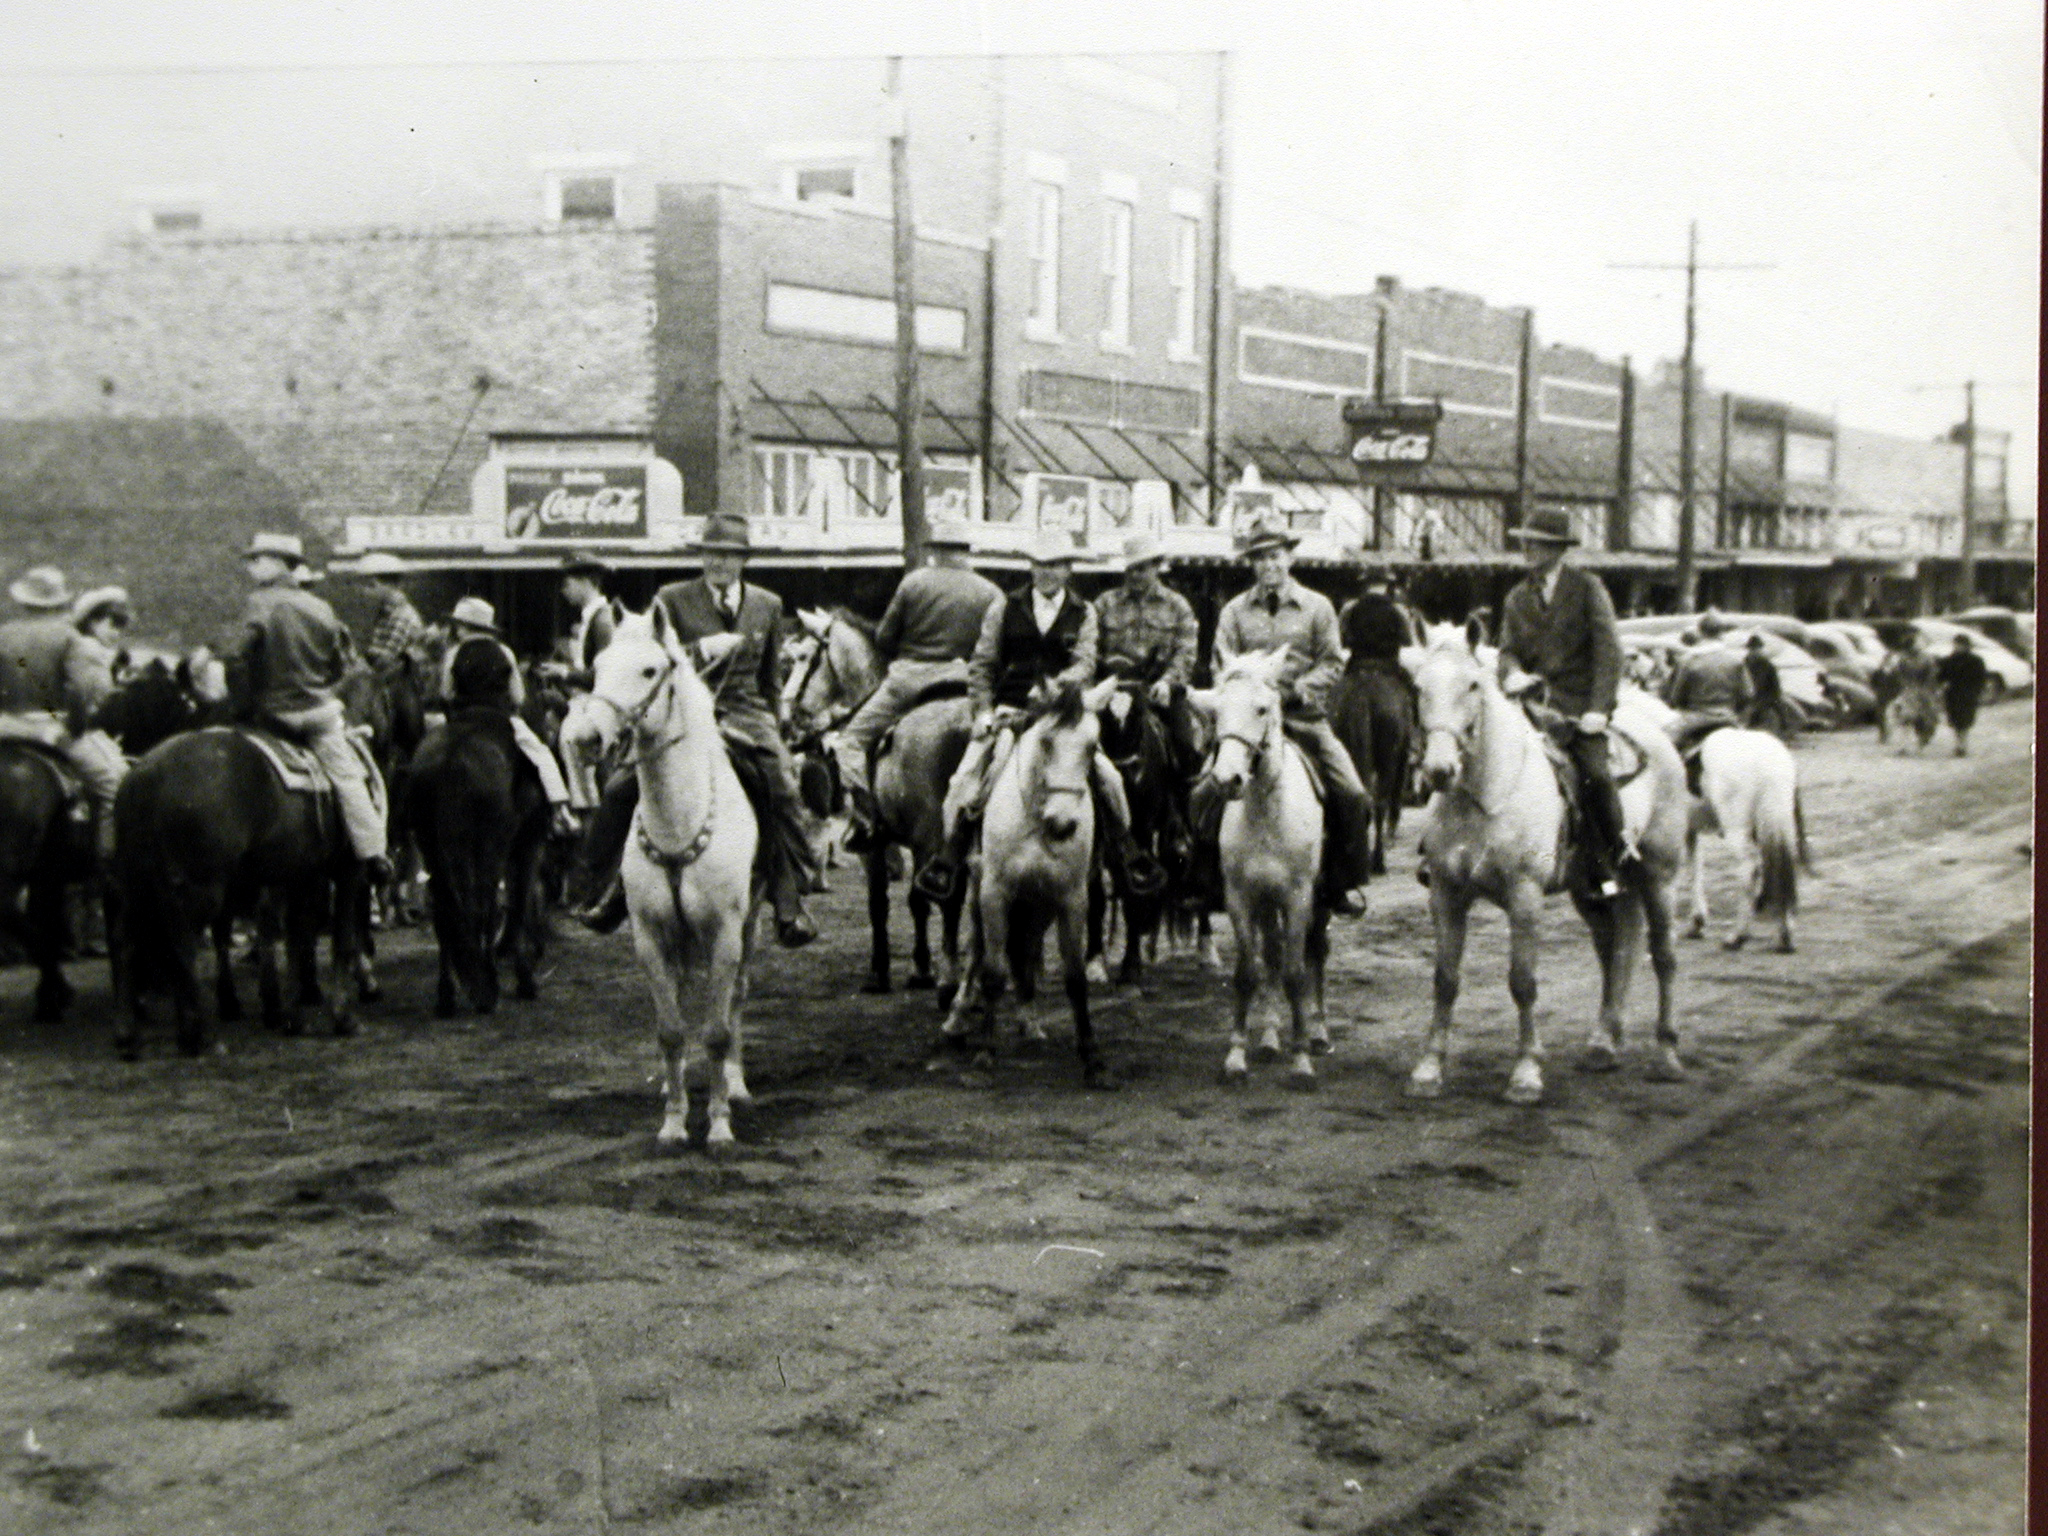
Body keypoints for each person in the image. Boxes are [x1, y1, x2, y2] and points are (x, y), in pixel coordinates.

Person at [568, 511, 820, 948]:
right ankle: (607, 892)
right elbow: (651, 656)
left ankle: (791, 896)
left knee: (779, 785)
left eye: (728, 556)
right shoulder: (672, 598)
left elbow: (769, 677)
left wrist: (774, 722)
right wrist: (700, 648)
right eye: (711, 554)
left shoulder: (767, 604)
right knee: (619, 788)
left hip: (745, 711)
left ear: (743, 561)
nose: (718, 564)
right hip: (683, 711)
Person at [919, 529, 1159, 902]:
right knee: (964, 780)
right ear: (1031, 567)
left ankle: (1127, 849)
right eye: (1040, 564)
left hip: (1062, 716)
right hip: (1009, 711)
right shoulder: (1004, 608)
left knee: (1109, 776)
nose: (1046, 572)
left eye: (1055, 565)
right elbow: (982, 664)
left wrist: (1053, 690)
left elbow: (1084, 664)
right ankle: (950, 856)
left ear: (1068, 570)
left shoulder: (1084, 613)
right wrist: (982, 711)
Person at [1198, 513, 1374, 916]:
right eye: (1260, 559)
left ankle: (1343, 881)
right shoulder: (1234, 612)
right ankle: (1207, 880)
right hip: (1245, 723)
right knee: (1205, 793)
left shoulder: (1317, 607)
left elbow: (1332, 661)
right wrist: (1244, 694)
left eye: (1276, 556)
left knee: (1353, 792)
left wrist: (1298, 690)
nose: (1269, 566)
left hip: (1302, 717)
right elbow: (1218, 667)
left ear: (1289, 558)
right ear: (1252, 564)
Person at [833, 517, 1001, 853]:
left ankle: (866, 820)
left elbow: (885, 637)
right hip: (965, 683)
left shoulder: (913, 583)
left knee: (849, 743)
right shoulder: (991, 592)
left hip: (910, 681)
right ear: (967, 552)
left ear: (935, 550)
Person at [231, 533, 390, 882]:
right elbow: (338, 667)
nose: (252, 565)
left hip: (270, 715)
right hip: (318, 713)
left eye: (258, 559)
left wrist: (243, 702)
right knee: (349, 778)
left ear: (279, 564)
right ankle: (373, 854)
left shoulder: (259, 603)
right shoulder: (322, 609)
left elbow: (237, 656)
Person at [1494, 506, 1628, 900]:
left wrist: (1598, 710)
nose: (1528, 550)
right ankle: (1441, 849)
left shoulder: (1587, 588)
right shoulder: (1517, 596)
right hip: (1529, 707)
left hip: (1577, 709)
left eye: (1538, 544)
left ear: (1558, 549)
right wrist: (1511, 673)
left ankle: (1610, 857)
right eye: (1526, 542)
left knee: (1595, 775)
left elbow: (1609, 652)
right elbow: (1506, 650)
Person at [0, 568, 128, 862]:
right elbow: (90, 691)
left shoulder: (3, 633)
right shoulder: (68, 637)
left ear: (24, 601)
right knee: (114, 784)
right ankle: (105, 868)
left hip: (4, 727)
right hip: (50, 729)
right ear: (58, 603)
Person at [436, 597, 579, 837]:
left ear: (462, 627)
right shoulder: (504, 652)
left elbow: (446, 693)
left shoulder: (453, 653)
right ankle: (560, 810)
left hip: (463, 719)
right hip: (500, 718)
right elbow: (518, 697)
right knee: (541, 755)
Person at [1092, 531, 1203, 772]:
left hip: (1159, 691)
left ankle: (1186, 806)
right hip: (1114, 690)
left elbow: (1186, 653)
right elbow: (1091, 648)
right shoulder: (1104, 604)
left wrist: (1168, 682)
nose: (1135, 575)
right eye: (1131, 568)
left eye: (1142, 568)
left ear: (1156, 567)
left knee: (1186, 748)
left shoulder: (1177, 605)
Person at [1662, 611, 1752, 782]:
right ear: (1721, 633)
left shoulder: (1688, 660)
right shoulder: (1735, 660)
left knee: (1662, 747)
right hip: (1728, 717)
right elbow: (1748, 694)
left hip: (1694, 719)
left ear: (1700, 632)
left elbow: (1675, 699)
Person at [357, 552, 426, 670]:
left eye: (371, 586)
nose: (365, 592)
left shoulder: (401, 615)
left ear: (392, 586)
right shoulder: (387, 612)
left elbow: (385, 660)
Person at [559, 554, 618, 689]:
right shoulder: (593, 617)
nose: (563, 591)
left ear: (585, 582)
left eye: (567, 584)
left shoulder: (602, 621)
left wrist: (563, 672)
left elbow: (605, 673)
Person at [1934, 633, 1989, 756]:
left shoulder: (1976, 661)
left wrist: (1978, 691)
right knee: (1955, 720)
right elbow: (1941, 676)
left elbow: (1981, 678)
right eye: (1956, 644)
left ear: (1967, 646)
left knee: (1965, 721)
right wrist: (1942, 684)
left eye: (1960, 645)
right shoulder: (1948, 660)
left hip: (1968, 693)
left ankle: (1962, 745)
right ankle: (1958, 744)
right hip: (1953, 693)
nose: (1958, 647)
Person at [1740, 635, 1786, 734]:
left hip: (1764, 699)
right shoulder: (1748, 661)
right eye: (1751, 649)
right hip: (1756, 697)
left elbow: (1760, 682)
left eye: (1755, 648)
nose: (1753, 651)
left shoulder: (1763, 663)